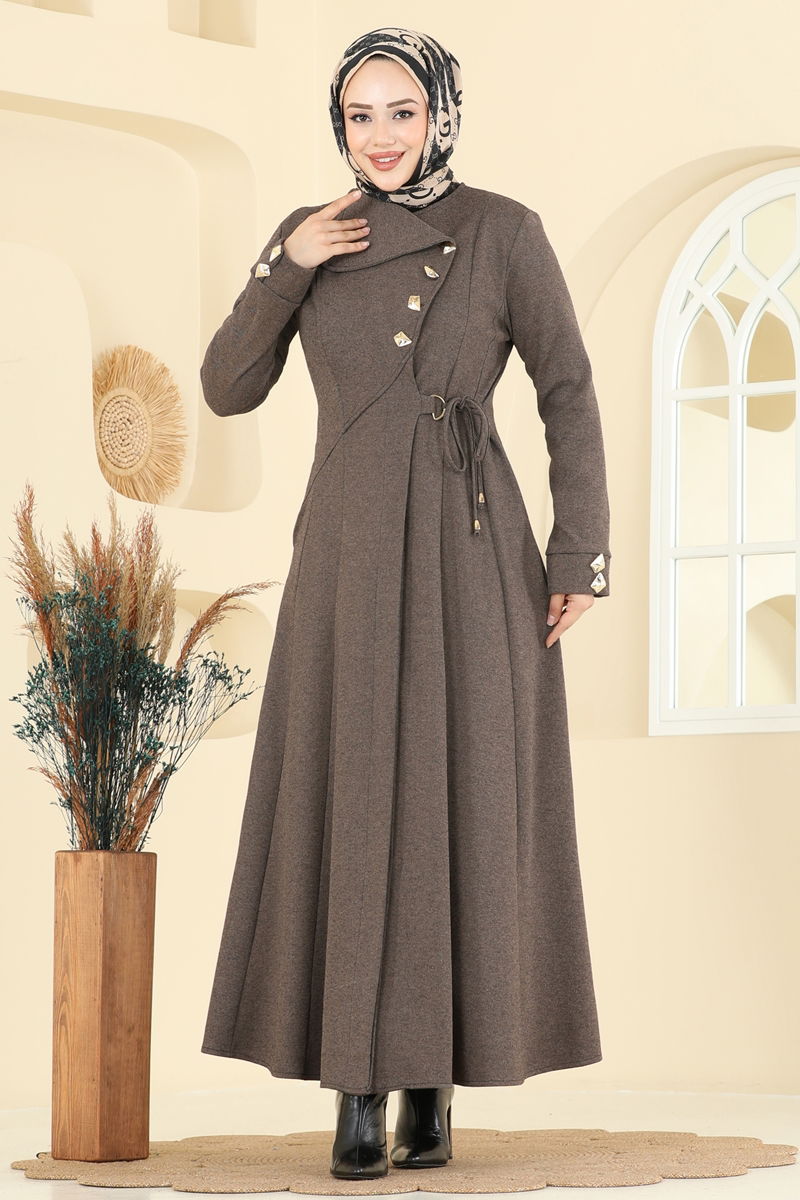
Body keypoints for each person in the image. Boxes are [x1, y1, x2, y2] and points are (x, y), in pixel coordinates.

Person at [199, 26, 612, 1182]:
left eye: (400, 111)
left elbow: (568, 388)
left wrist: (578, 553)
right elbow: (226, 387)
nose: (379, 137)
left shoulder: (503, 230)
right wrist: (286, 263)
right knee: (353, 796)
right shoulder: (312, 235)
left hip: (470, 546)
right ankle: (356, 1087)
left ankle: (433, 1086)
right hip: (345, 548)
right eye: (357, 115)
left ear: (439, 113)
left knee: (455, 799)